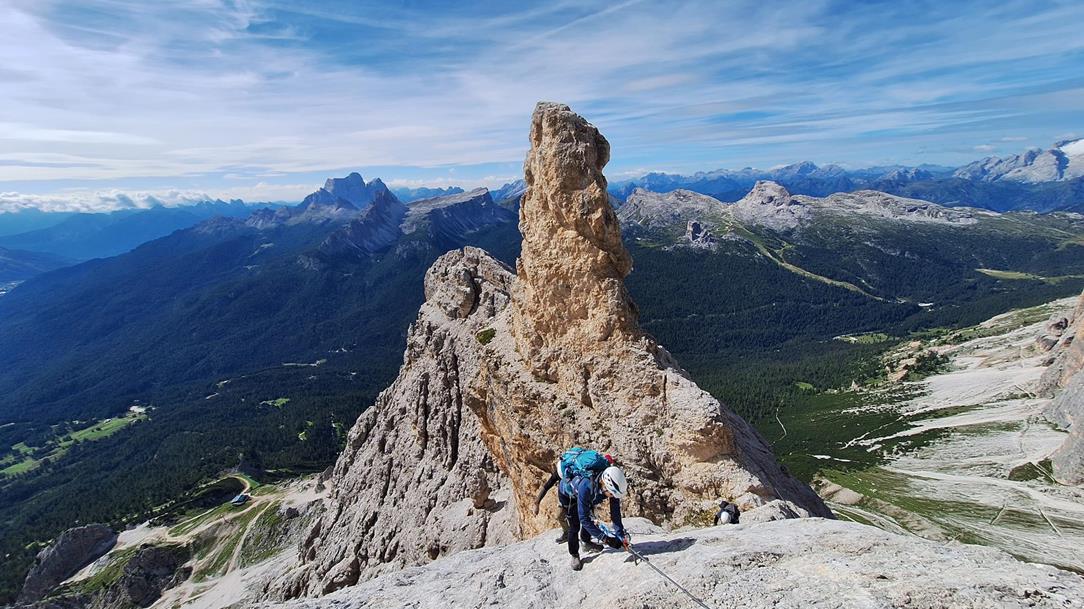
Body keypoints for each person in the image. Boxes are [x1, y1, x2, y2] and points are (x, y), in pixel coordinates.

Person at [562, 465, 629, 571]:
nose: (613, 497)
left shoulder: (611, 489)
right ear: (605, 487)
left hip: (588, 497)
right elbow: (583, 519)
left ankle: (586, 542)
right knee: (575, 526)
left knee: (590, 517)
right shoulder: (586, 486)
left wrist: (620, 535)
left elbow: (615, 512)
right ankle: (574, 554)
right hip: (569, 496)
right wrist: (606, 539)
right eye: (611, 494)